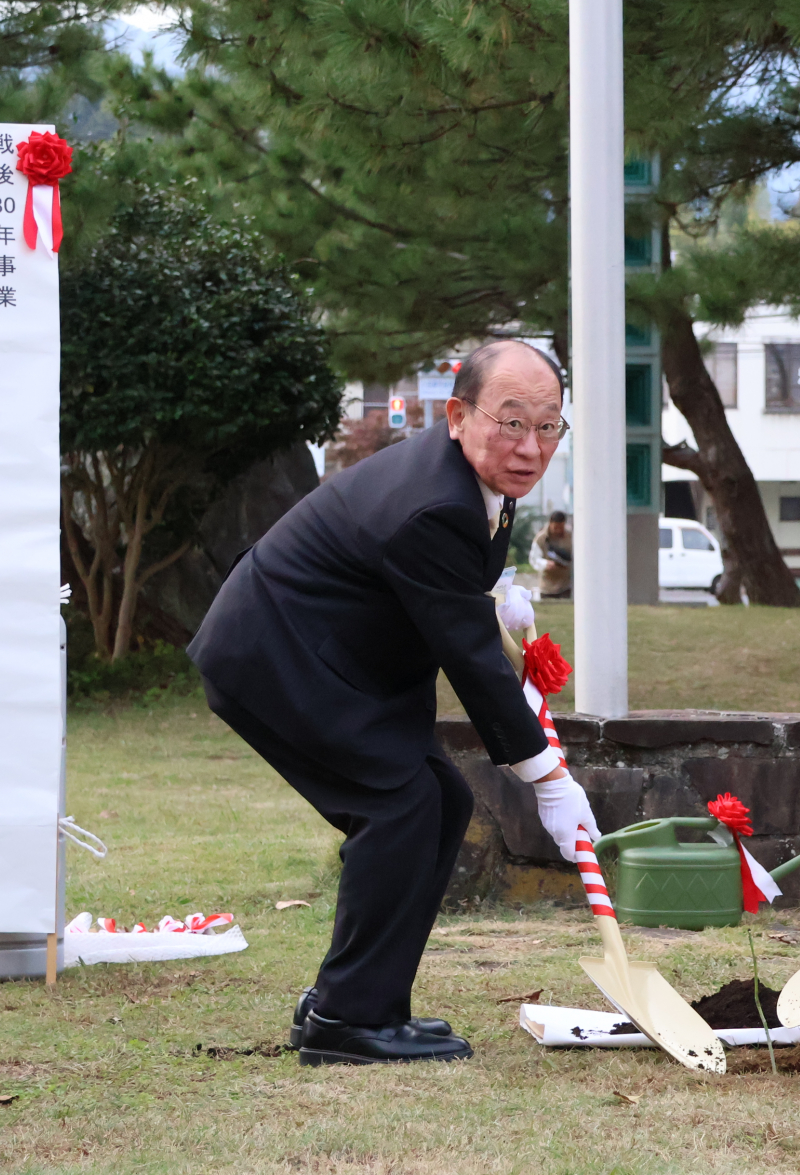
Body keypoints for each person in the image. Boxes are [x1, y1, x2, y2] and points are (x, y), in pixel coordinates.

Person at [189, 340, 601, 1067]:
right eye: (511, 422)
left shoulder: (479, 486)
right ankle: (346, 1019)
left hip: (335, 658)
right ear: (457, 416)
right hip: (278, 655)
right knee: (400, 807)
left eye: (547, 427)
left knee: (439, 800)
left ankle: (362, 1004)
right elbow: (467, 656)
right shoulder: (435, 505)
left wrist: (497, 606)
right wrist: (547, 778)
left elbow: (450, 607)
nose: (530, 446)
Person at [532, 511, 572, 598]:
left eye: (561, 527)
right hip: (547, 588)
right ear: (550, 523)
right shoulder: (541, 538)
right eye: (556, 527)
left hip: (565, 587)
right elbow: (534, 559)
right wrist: (545, 564)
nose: (558, 530)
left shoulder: (570, 537)